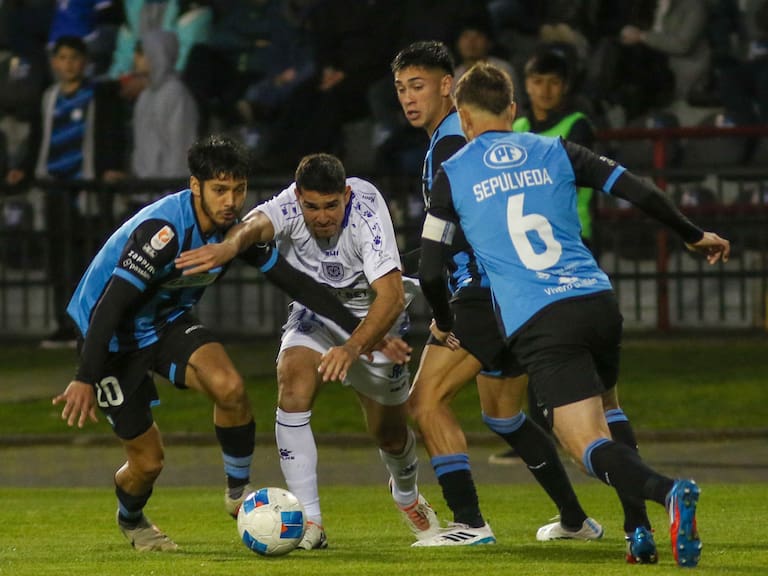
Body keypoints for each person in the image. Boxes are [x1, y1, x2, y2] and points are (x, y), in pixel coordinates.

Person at [420, 62, 730, 566]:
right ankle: (638, 531)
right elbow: (638, 190)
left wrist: (445, 321)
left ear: (463, 116)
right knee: (609, 409)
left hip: (543, 319)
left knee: (581, 440)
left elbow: (432, 271)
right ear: (513, 111)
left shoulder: (453, 174)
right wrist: (694, 235)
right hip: (597, 301)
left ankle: (669, 491)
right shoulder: (556, 149)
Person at [51, 135, 391, 552]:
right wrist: (85, 376)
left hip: (166, 322)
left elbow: (298, 283)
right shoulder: (164, 233)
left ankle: (237, 491)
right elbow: (109, 307)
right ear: (196, 187)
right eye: (220, 190)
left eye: (239, 189)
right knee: (148, 462)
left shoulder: (234, 231)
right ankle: (132, 518)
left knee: (230, 387)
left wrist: (361, 331)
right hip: (110, 338)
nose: (231, 200)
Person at [391, 40, 602, 546]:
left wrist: (406, 276)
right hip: (512, 292)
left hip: (482, 296)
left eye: (418, 86)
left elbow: (459, 239)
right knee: (503, 415)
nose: (407, 98)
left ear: (448, 88)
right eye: (400, 89)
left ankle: (469, 523)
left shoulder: (450, 146)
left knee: (425, 403)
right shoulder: (450, 142)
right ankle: (575, 520)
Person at [175, 152, 440, 549]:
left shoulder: (367, 210)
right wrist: (228, 249)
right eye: (312, 206)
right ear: (298, 197)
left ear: (346, 195)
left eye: (331, 205)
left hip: (372, 319)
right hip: (314, 313)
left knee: (389, 434)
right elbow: (252, 228)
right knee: (292, 384)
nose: (321, 216)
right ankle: (310, 523)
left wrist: (351, 349)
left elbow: (391, 295)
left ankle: (406, 494)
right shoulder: (288, 206)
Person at [492, 44, 597, 464]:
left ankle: (583, 428)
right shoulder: (514, 123)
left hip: (571, 241)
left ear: (565, 87)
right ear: (525, 86)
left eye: (553, 82)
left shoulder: (576, 125)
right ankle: (542, 432)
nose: (546, 90)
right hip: (524, 245)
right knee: (532, 337)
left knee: (568, 339)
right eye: (538, 81)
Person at [5, 35, 126, 349]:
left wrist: (110, 167)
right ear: (54, 62)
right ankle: (64, 324)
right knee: (59, 263)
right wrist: (27, 169)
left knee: (90, 261)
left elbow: (111, 136)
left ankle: (91, 327)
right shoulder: (49, 97)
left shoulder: (97, 95)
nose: (68, 64)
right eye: (62, 58)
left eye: (74, 58)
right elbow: (39, 139)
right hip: (54, 189)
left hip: (86, 190)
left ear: (84, 62)